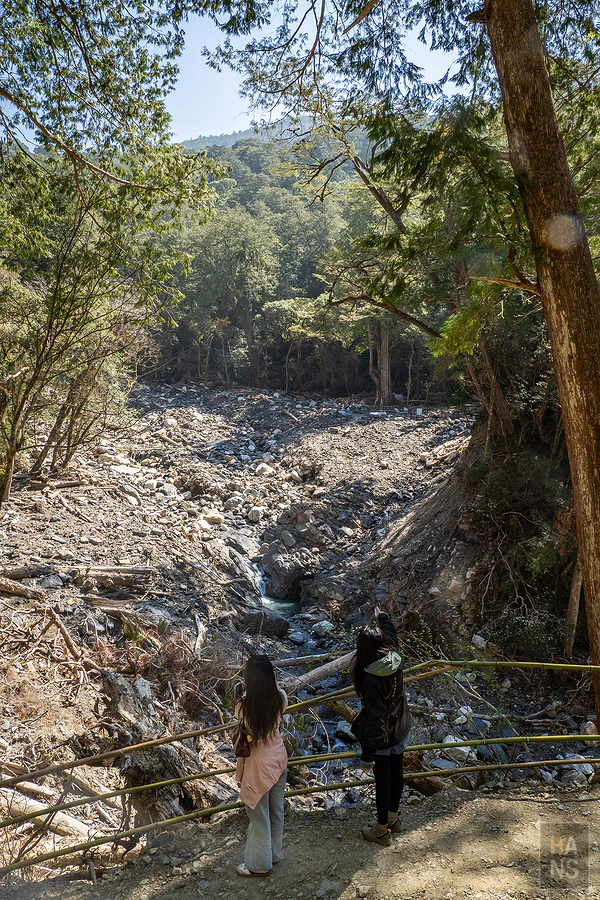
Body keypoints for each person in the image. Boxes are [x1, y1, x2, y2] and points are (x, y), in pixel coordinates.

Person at [351, 607, 412, 846]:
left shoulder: (370, 679)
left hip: (383, 737)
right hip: (400, 727)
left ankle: (381, 830)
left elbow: (375, 719)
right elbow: (391, 633)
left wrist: (368, 750)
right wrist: (383, 616)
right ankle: (394, 819)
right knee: (397, 774)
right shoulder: (393, 656)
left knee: (383, 781)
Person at [234, 655, 288, 877]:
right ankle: (273, 855)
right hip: (278, 758)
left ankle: (258, 865)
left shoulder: (243, 707)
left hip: (258, 763)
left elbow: (244, 728)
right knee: (276, 810)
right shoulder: (280, 698)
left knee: (258, 814)